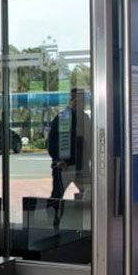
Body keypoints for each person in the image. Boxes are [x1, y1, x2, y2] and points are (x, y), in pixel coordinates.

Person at [46, 89, 87, 228]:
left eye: (83, 100)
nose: (81, 103)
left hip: (80, 166)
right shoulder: (63, 117)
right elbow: (51, 142)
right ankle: (52, 223)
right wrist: (59, 160)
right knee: (57, 196)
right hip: (64, 166)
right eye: (77, 100)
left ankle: (83, 226)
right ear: (72, 100)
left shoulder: (85, 118)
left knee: (88, 193)